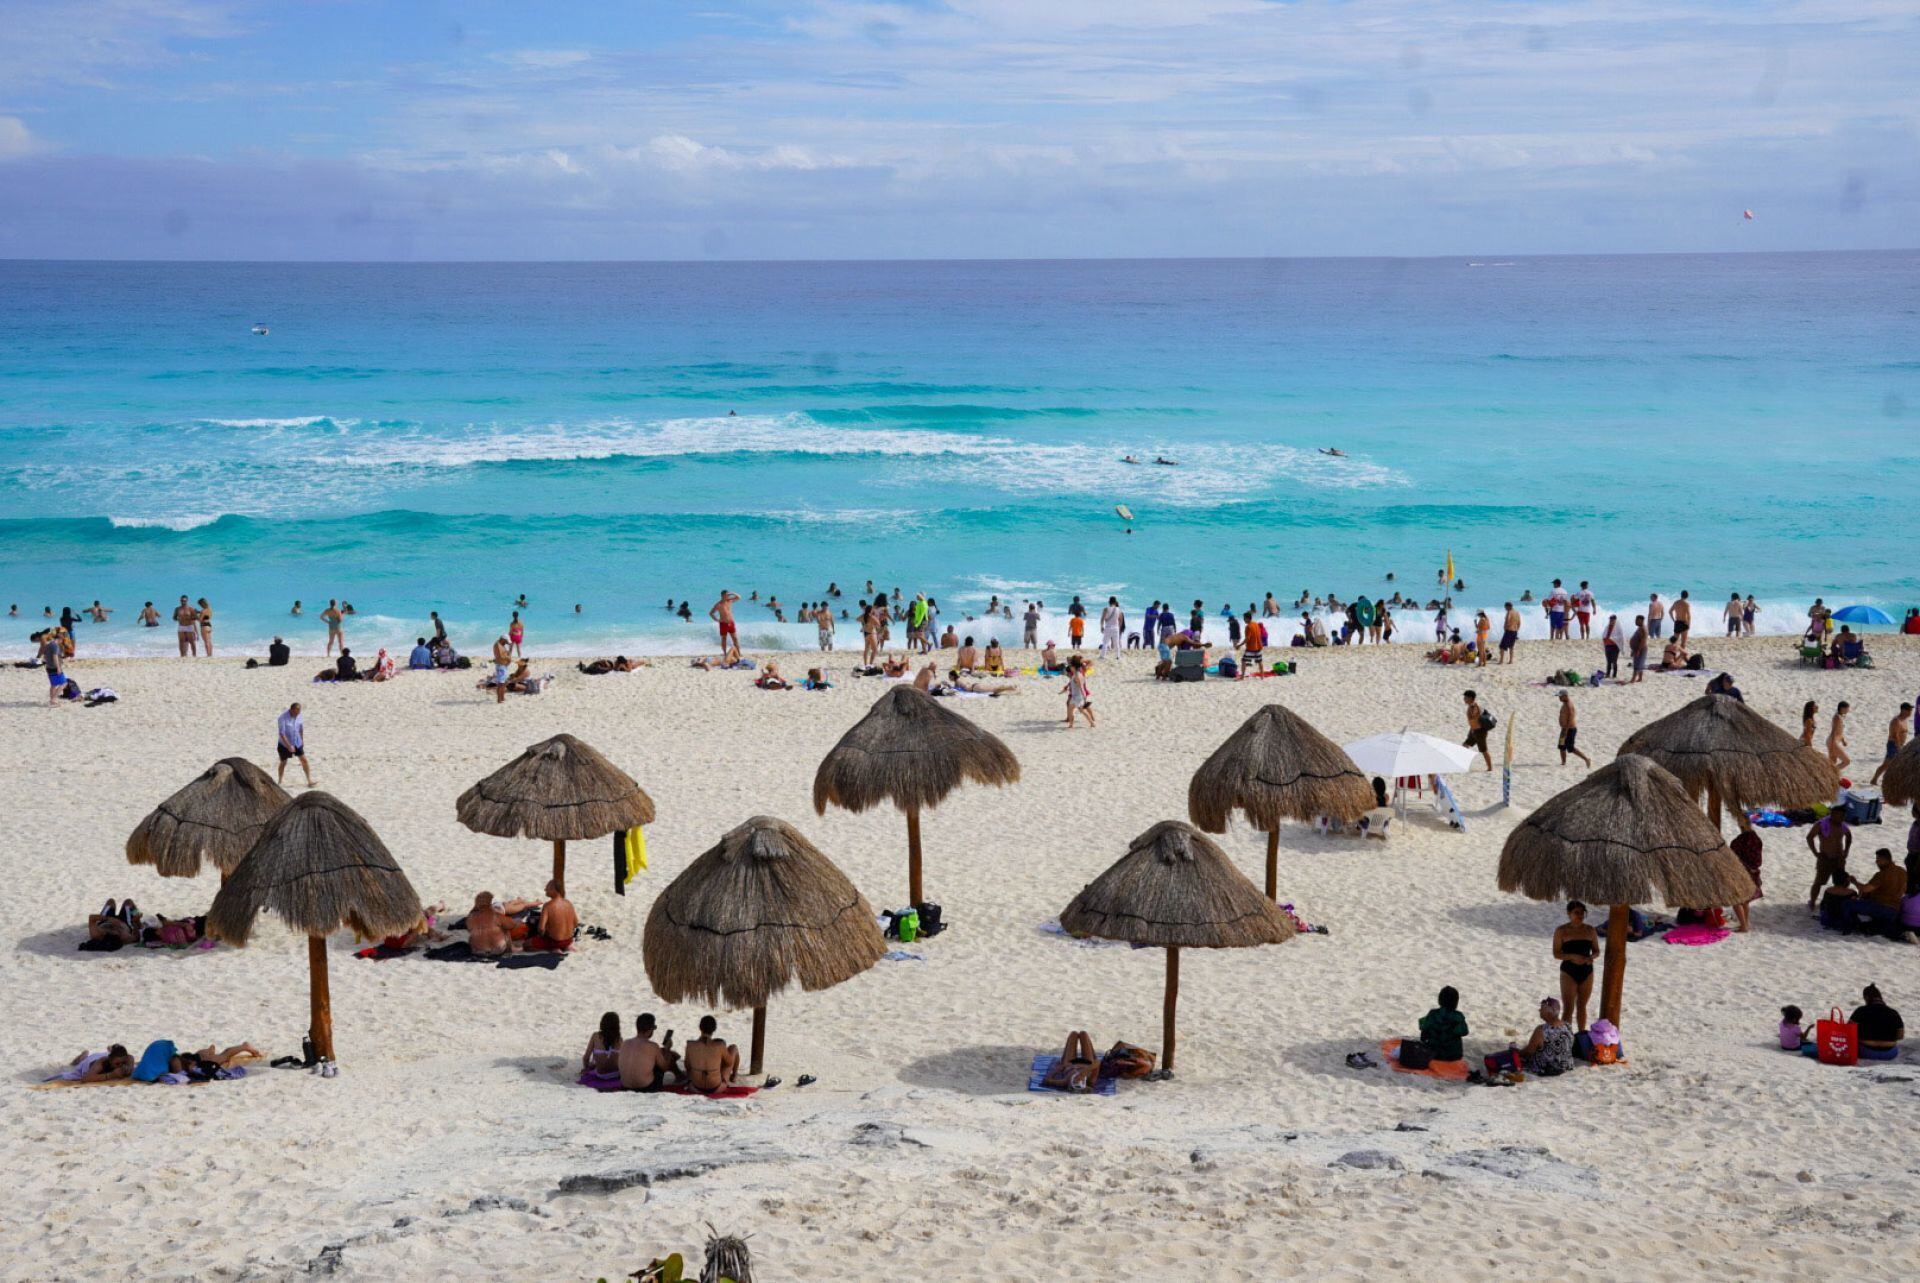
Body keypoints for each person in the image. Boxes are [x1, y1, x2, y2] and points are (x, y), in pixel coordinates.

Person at [1553, 901, 1600, 1029]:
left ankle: (1581, 1035)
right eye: (1576, 913)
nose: (1580, 915)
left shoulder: (1590, 930)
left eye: (1582, 913)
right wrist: (1573, 956)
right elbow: (1556, 954)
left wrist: (1591, 957)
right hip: (1569, 971)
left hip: (1587, 970)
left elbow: (1597, 951)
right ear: (1569, 914)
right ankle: (1565, 1039)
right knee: (1568, 1008)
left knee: (1582, 1006)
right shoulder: (1561, 931)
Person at [617, 1013, 681, 1091]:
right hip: (646, 1087)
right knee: (668, 1057)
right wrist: (667, 1049)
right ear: (650, 1029)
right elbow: (665, 1067)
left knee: (656, 1056)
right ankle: (681, 1077)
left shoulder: (625, 1043)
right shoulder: (653, 1046)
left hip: (625, 1086)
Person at [1807, 809, 1852, 910]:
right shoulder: (1821, 824)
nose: (1842, 818)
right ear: (1833, 815)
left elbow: (1849, 836)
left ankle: (1840, 902)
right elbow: (1809, 837)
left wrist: (1846, 851)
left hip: (1839, 859)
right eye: (1841, 816)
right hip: (1825, 858)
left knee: (1841, 882)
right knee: (1818, 882)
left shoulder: (1842, 825)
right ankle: (1812, 902)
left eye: (1843, 816)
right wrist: (1815, 853)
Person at [682, 1015, 741, 1092]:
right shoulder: (720, 1045)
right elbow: (729, 1063)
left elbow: (687, 1066)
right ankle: (734, 1076)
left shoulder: (690, 1045)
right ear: (714, 1029)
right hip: (716, 1088)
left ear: (700, 1028)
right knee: (734, 1048)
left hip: (695, 1087)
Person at [1521, 998, 1575, 1076]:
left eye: (1542, 1009)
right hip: (1566, 1066)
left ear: (1549, 1013)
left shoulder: (1541, 1030)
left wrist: (1518, 1052)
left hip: (1547, 1068)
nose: (1539, 1010)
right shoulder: (1567, 1025)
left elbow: (1529, 1051)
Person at [1417, 987, 1468, 1063]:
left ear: (1439, 1000)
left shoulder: (1433, 1013)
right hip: (1453, 1057)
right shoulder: (1458, 1016)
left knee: (1426, 1031)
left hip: (1433, 1054)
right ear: (1456, 1002)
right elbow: (1464, 1032)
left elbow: (1423, 1027)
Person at [523, 879, 577, 951]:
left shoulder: (548, 906)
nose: (545, 889)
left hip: (555, 942)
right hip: (569, 940)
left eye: (547, 888)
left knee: (526, 945)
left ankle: (552, 948)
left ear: (553, 889)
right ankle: (565, 946)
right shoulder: (569, 903)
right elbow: (575, 923)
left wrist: (542, 935)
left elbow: (541, 929)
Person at [1852, 985, 1904, 1056]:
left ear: (1867, 997)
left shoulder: (1861, 1011)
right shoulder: (1894, 1013)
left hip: (1866, 1051)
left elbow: (1849, 1030)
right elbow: (1900, 1036)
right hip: (1889, 1053)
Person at [1870, 703, 1913, 786]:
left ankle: (1877, 780)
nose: (1911, 712)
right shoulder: (1896, 721)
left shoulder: (1904, 720)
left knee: (1891, 764)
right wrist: (1899, 747)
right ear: (1904, 710)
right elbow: (1894, 735)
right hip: (1893, 745)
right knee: (1887, 764)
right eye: (1909, 710)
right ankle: (1874, 779)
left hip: (1900, 745)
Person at [1731, 824, 1763, 932]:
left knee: (1736, 900)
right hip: (1753, 872)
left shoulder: (1742, 840)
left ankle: (1744, 926)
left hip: (1743, 872)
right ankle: (1745, 923)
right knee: (1745, 900)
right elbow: (1758, 859)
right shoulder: (1756, 838)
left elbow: (1733, 852)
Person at [276, 702, 311, 786]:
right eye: (295, 712)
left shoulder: (299, 715)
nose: (297, 714)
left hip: (297, 742)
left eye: (298, 712)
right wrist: (289, 746)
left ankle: (309, 781)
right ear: (291, 710)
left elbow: (301, 728)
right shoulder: (282, 718)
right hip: (284, 744)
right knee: (283, 762)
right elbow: (282, 733)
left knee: (304, 760)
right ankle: (280, 781)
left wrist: (302, 740)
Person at [1556, 691, 1591, 768]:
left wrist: (1566, 730)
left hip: (1570, 729)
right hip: (1564, 729)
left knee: (1570, 748)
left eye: (1560, 696)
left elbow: (1571, 718)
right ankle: (1563, 763)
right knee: (1561, 746)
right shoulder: (1564, 704)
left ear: (1565, 696)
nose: (1559, 698)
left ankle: (1586, 759)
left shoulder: (1569, 705)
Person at [583, 1011, 623, 1077]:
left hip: (600, 1074)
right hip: (615, 1074)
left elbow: (586, 1058)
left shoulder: (595, 1036)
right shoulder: (619, 1039)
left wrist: (586, 1068)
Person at [1462, 690, 1492, 771]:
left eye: (1465, 697)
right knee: (1465, 746)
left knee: (1484, 750)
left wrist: (1474, 714)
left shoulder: (1474, 707)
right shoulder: (1472, 706)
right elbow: (1473, 722)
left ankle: (1490, 768)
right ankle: (1463, 765)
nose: (1464, 699)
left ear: (1471, 698)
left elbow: (1476, 719)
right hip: (1474, 731)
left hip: (1480, 732)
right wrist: (1471, 731)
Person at [1064, 655, 1094, 729]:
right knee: (1070, 710)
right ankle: (1071, 725)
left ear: (1074, 667)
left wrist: (1084, 698)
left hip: (1078, 697)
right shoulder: (1076, 674)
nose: (1070, 667)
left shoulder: (1077, 675)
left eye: (1071, 666)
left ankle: (1092, 723)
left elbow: (1081, 687)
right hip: (1075, 696)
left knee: (1082, 711)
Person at [39, 627, 67, 706]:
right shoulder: (55, 645)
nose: (64, 637)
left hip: (48, 667)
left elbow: (45, 656)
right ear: (60, 636)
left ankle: (52, 701)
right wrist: (58, 667)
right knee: (64, 683)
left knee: (53, 685)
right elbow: (55, 656)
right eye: (64, 635)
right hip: (54, 667)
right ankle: (53, 699)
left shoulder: (48, 644)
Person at [1829, 701, 1852, 769]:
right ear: (1842, 708)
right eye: (1847, 709)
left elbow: (1839, 731)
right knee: (1847, 761)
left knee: (1833, 762)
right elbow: (1833, 731)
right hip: (1833, 741)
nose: (1848, 710)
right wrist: (1832, 746)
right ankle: (1833, 773)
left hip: (1834, 741)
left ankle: (1831, 774)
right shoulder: (1837, 717)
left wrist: (1843, 740)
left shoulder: (1839, 717)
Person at [489, 636, 512, 704]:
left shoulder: (501, 645)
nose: (506, 643)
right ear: (503, 639)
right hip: (501, 666)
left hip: (503, 666)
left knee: (503, 683)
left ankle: (502, 698)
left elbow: (504, 654)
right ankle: (499, 699)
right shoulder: (497, 645)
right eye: (506, 642)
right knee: (501, 683)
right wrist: (508, 658)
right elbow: (500, 656)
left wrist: (507, 653)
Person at [1600, 613, 1623, 678]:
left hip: (1615, 647)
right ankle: (1608, 674)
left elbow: (1620, 637)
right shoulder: (1607, 627)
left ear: (1615, 620)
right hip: (1608, 646)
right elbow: (1604, 635)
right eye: (1610, 620)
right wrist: (1605, 642)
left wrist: (1612, 639)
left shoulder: (1618, 628)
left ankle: (1614, 675)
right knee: (1608, 661)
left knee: (1614, 661)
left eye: (1612, 620)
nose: (1611, 621)